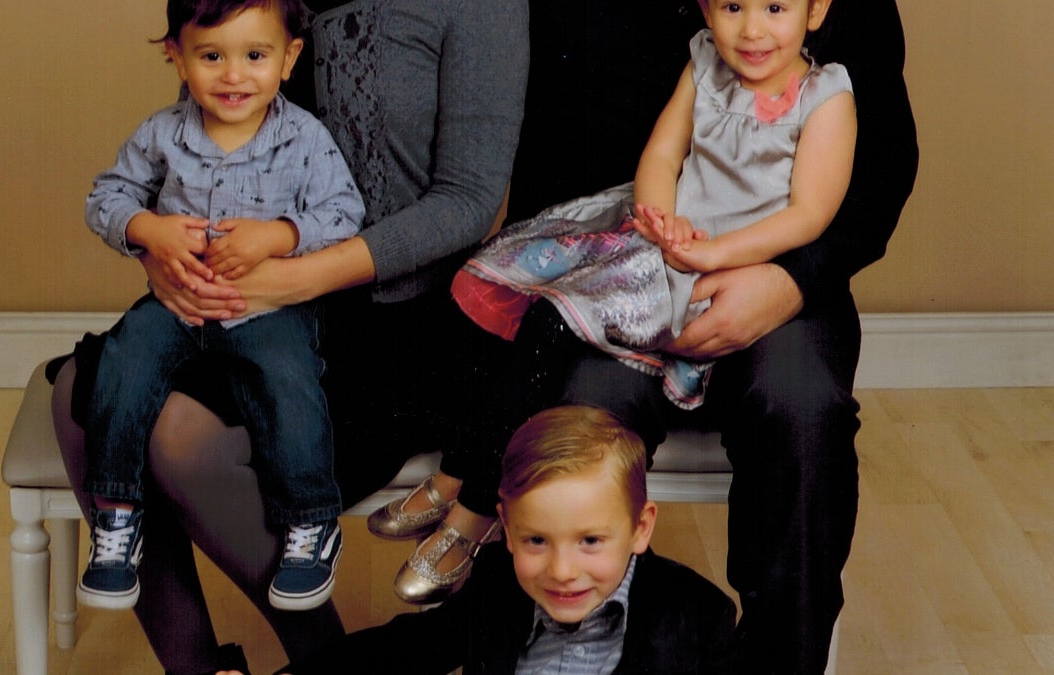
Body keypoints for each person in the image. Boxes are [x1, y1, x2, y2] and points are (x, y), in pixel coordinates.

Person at [372, 0, 918, 671]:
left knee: (801, 411)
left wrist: (787, 281)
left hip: (785, 276)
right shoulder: (691, 60)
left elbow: (885, 166)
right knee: (578, 411)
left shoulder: (825, 61)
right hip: (635, 264)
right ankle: (595, 651)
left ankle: (782, 660)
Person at [52, 0, 528, 671]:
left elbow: (468, 198)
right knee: (79, 396)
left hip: (396, 323)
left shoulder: (482, 8)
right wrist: (159, 251)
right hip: (247, 292)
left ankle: (327, 663)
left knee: (180, 436)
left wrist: (298, 277)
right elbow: (198, 139)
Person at [77, 0, 364, 613]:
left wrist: (280, 235)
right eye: (212, 56)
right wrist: (148, 230)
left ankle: (310, 524)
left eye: (255, 56)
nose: (234, 75)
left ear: (288, 60)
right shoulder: (162, 134)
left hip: (263, 308)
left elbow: (343, 213)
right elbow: (106, 197)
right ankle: (117, 516)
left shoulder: (305, 137)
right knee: (122, 363)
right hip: (177, 302)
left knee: (289, 383)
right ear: (177, 57)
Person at [452, 0, 855, 411]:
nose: (752, 29)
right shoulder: (705, 65)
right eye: (733, 6)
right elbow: (662, 155)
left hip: (743, 265)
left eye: (774, 8)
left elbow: (808, 214)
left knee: (561, 324)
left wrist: (716, 252)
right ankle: (478, 463)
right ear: (706, 9)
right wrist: (662, 220)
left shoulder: (825, 97)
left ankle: (476, 461)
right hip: (672, 252)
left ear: (816, 10)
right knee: (548, 318)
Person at [273, 406, 735, 674]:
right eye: (536, 540)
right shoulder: (498, 586)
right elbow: (406, 649)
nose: (561, 570)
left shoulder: (697, 615)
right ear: (507, 529)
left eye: (590, 541)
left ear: (640, 527)